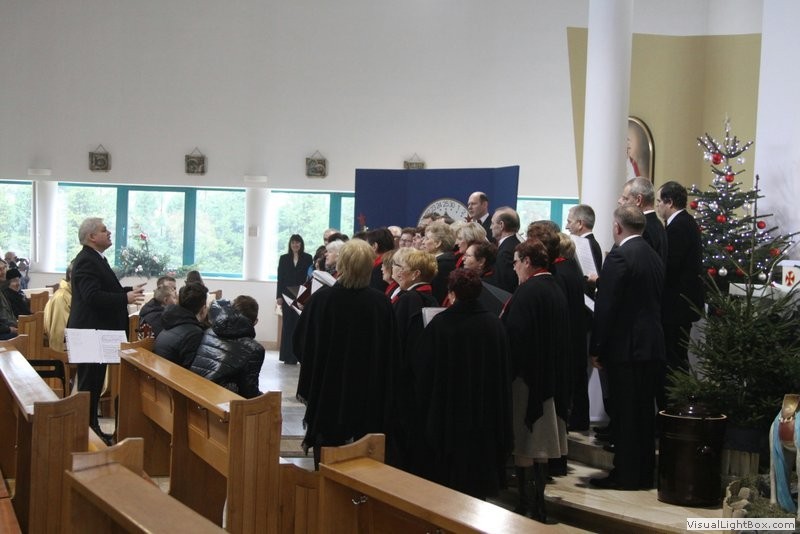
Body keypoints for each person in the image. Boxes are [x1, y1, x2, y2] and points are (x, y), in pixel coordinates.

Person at [293, 239, 397, 468]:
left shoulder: (321, 300)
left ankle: (326, 480)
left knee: (327, 443)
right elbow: (390, 350)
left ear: (341, 266)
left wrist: (316, 364)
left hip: (327, 385)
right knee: (364, 449)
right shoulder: (381, 304)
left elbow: (301, 344)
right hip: (368, 389)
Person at [414, 269, 512, 500]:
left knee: (448, 484)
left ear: (452, 293)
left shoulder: (441, 324)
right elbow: (503, 371)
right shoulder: (494, 324)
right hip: (484, 414)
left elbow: (424, 371)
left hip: (448, 416)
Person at [589, 205, 664, 491]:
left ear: (617, 227)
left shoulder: (620, 255)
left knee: (625, 414)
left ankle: (626, 475)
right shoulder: (652, 255)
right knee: (643, 413)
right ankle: (643, 473)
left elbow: (606, 307)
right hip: (651, 345)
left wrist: (597, 347)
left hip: (626, 348)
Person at [502, 238, 570, 522]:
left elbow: (515, 337)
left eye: (516, 262)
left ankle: (526, 505)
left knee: (525, 444)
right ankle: (538, 505)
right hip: (549, 378)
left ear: (527, 262)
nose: (514, 268)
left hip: (526, 379)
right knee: (540, 446)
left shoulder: (528, 291)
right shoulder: (555, 287)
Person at [67, 217, 144, 443]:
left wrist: (127, 290)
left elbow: (103, 289)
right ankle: (86, 431)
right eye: (104, 230)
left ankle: (92, 428)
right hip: (90, 331)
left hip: (97, 331)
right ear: (92, 236)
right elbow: (92, 296)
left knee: (94, 384)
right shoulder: (86, 260)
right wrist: (125, 298)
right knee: (89, 385)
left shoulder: (96, 258)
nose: (109, 232)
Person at [656, 181, 704, 405]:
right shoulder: (685, 222)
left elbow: (671, 265)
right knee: (676, 356)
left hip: (676, 306)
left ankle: (674, 407)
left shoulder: (679, 226)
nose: (658, 206)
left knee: (673, 359)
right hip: (681, 304)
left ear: (669, 202)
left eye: (659, 201)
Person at [390, 248, 439, 469]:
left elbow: (396, 339)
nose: (396, 271)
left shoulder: (409, 299)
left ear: (416, 273)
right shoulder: (429, 296)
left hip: (405, 379)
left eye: (400, 267)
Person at [191, 296, 265, 399]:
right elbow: (249, 392)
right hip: (217, 401)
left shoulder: (209, 331)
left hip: (194, 391)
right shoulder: (255, 349)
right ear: (255, 321)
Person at [276, 234, 313, 365]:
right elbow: (280, 278)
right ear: (290, 244)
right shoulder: (284, 258)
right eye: (293, 243)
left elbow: (310, 278)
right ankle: (287, 356)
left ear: (301, 244)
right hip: (286, 295)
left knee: (299, 325)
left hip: (301, 295)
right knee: (287, 325)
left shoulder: (308, 258)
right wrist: (278, 296)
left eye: (297, 243)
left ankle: (298, 355)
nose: (295, 245)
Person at [154, 282, 208, 368]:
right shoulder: (194, 334)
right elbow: (192, 369)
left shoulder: (171, 321)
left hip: (160, 371)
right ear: (203, 309)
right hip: (173, 375)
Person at [619, 177, 668, 263]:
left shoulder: (640, 228)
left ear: (638, 200)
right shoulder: (658, 224)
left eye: (625, 199)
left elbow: (636, 264)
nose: (619, 201)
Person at [422, 220, 457, 304]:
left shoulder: (441, 265)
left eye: (427, 239)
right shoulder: (446, 261)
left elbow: (437, 295)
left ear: (437, 243)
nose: (423, 242)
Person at [491, 206, 522, 293]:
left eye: (492, 223)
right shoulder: (516, 244)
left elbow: (503, 287)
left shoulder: (505, 252)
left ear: (501, 225)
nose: (490, 227)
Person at [43, 262, 73, 352]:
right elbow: (59, 335)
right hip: (64, 351)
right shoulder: (62, 297)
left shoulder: (72, 294)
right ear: (71, 275)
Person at [366, 227, 395, 292]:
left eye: (367, 245)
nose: (365, 250)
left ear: (374, 246)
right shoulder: (396, 263)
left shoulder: (378, 270)